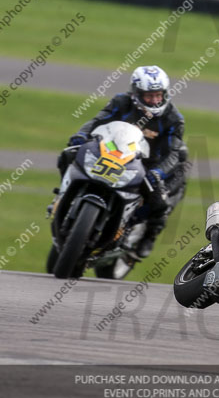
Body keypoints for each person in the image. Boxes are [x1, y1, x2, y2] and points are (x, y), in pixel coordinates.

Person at [58, 65, 189, 258]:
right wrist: (81, 135)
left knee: (160, 200)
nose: (154, 100)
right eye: (148, 96)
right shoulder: (121, 102)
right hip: (117, 153)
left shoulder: (174, 119)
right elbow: (97, 121)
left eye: (158, 95)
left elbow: (173, 154)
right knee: (68, 154)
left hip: (152, 165)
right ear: (136, 93)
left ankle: (148, 236)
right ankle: (63, 194)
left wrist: (157, 173)